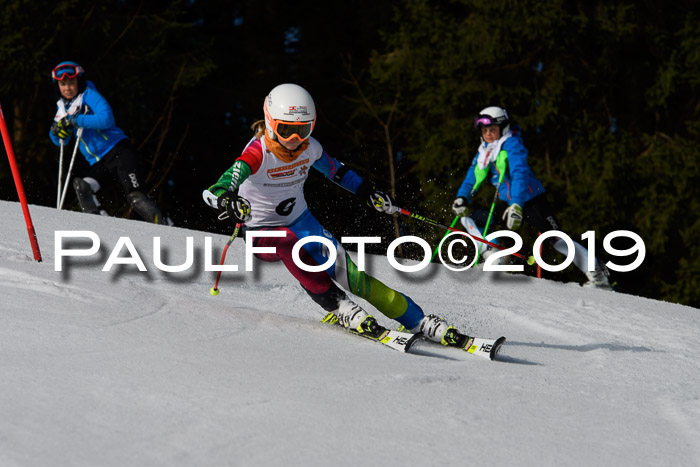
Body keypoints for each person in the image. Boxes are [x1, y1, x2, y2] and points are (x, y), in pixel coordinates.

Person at [204, 83, 472, 346]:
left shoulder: (310, 148)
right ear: (270, 123)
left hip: (301, 221)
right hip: (262, 233)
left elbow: (337, 171)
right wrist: (227, 200)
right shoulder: (256, 153)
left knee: (353, 276)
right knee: (287, 242)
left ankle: (418, 320)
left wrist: (367, 191)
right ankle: (339, 306)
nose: (295, 141)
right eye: (287, 131)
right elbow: (215, 189)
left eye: (303, 130)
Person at [452, 106, 612, 289]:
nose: (488, 134)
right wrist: (462, 198)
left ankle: (598, 276)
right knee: (471, 219)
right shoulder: (484, 151)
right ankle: (495, 257)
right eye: (484, 130)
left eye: (492, 129)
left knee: (556, 239)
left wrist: (517, 205)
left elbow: (520, 174)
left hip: (530, 200)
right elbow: (472, 176)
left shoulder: (512, 144)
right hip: (507, 202)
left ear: (502, 128)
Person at [49, 61, 168, 224]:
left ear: (79, 82)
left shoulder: (89, 94)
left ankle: (164, 225)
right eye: (63, 84)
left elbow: (106, 119)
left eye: (71, 82)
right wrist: (57, 132)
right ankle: (100, 225)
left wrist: (76, 119)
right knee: (82, 185)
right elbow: (61, 140)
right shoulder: (63, 107)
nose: (67, 88)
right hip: (101, 162)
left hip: (119, 151)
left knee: (136, 197)